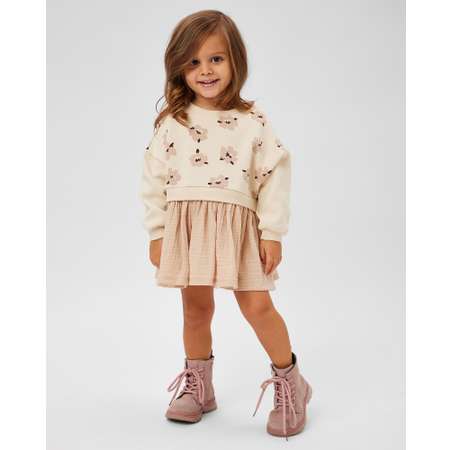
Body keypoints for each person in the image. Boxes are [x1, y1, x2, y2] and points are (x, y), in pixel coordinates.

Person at [140, 9, 312, 440]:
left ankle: (291, 381)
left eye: (215, 59)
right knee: (195, 309)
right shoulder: (173, 122)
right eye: (193, 62)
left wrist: (272, 232)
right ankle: (199, 387)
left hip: (238, 229)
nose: (205, 71)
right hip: (188, 227)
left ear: (235, 60)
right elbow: (153, 179)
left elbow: (274, 176)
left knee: (257, 307)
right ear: (179, 67)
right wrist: (158, 232)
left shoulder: (253, 122)